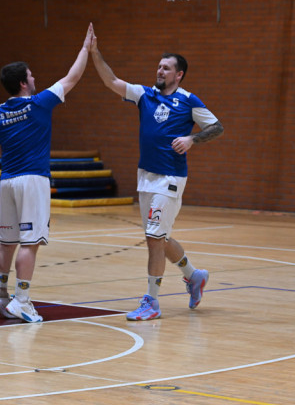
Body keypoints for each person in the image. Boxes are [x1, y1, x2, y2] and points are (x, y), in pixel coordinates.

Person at [89, 37, 224, 321]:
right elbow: (111, 81)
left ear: (179, 74)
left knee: (153, 238)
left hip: (170, 177)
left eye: (166, 68)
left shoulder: (188, 100)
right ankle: (194, 276)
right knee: (158, 237)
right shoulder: (144, 95)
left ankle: (151, 302)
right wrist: (94, 53)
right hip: (145, 177)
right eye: (159, 67)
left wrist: (192, 139)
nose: (160, 71)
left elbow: (216, 127)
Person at [0, 24, 94, 323]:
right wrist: (86, 49)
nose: (35, 78)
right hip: (32, 179)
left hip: (7, 180)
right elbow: (72, 78)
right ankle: (22, 300)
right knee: (30, 243)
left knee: (6, 241)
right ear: (23, 83)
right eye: (31, 75)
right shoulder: (39, 103)